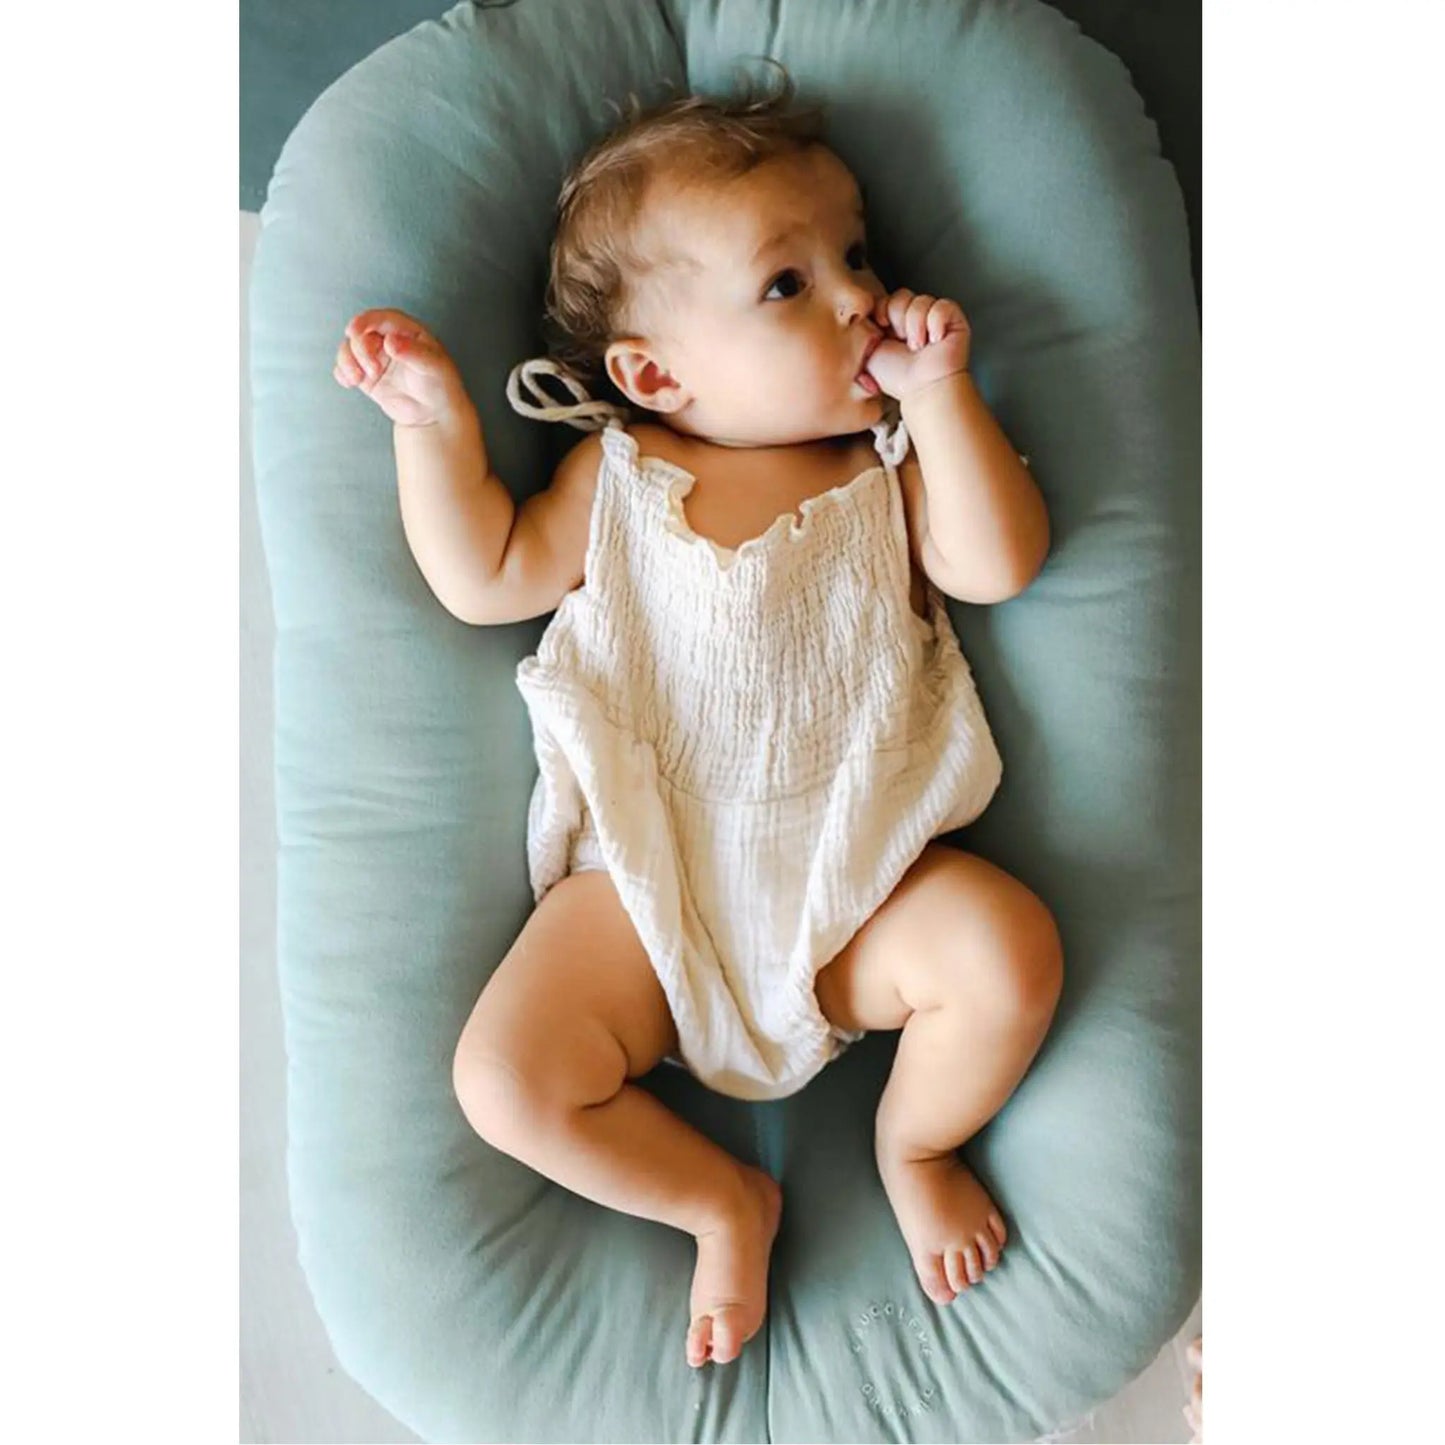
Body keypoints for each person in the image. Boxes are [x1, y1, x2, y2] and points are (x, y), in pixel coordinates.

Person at [333, 67, 1062, 1370]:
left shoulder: (887, 468)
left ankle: (914, 1142)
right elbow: (483, 572)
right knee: (504, 1080)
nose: (858, 296)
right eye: (788, 282)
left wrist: (944, 396)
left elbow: (998, 562)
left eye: (856, 254)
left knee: (1007, 950)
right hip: (642, 897)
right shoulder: (615, 478)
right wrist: (433, 427)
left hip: (856, 887)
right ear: (654, 372)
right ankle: (717, 1199)